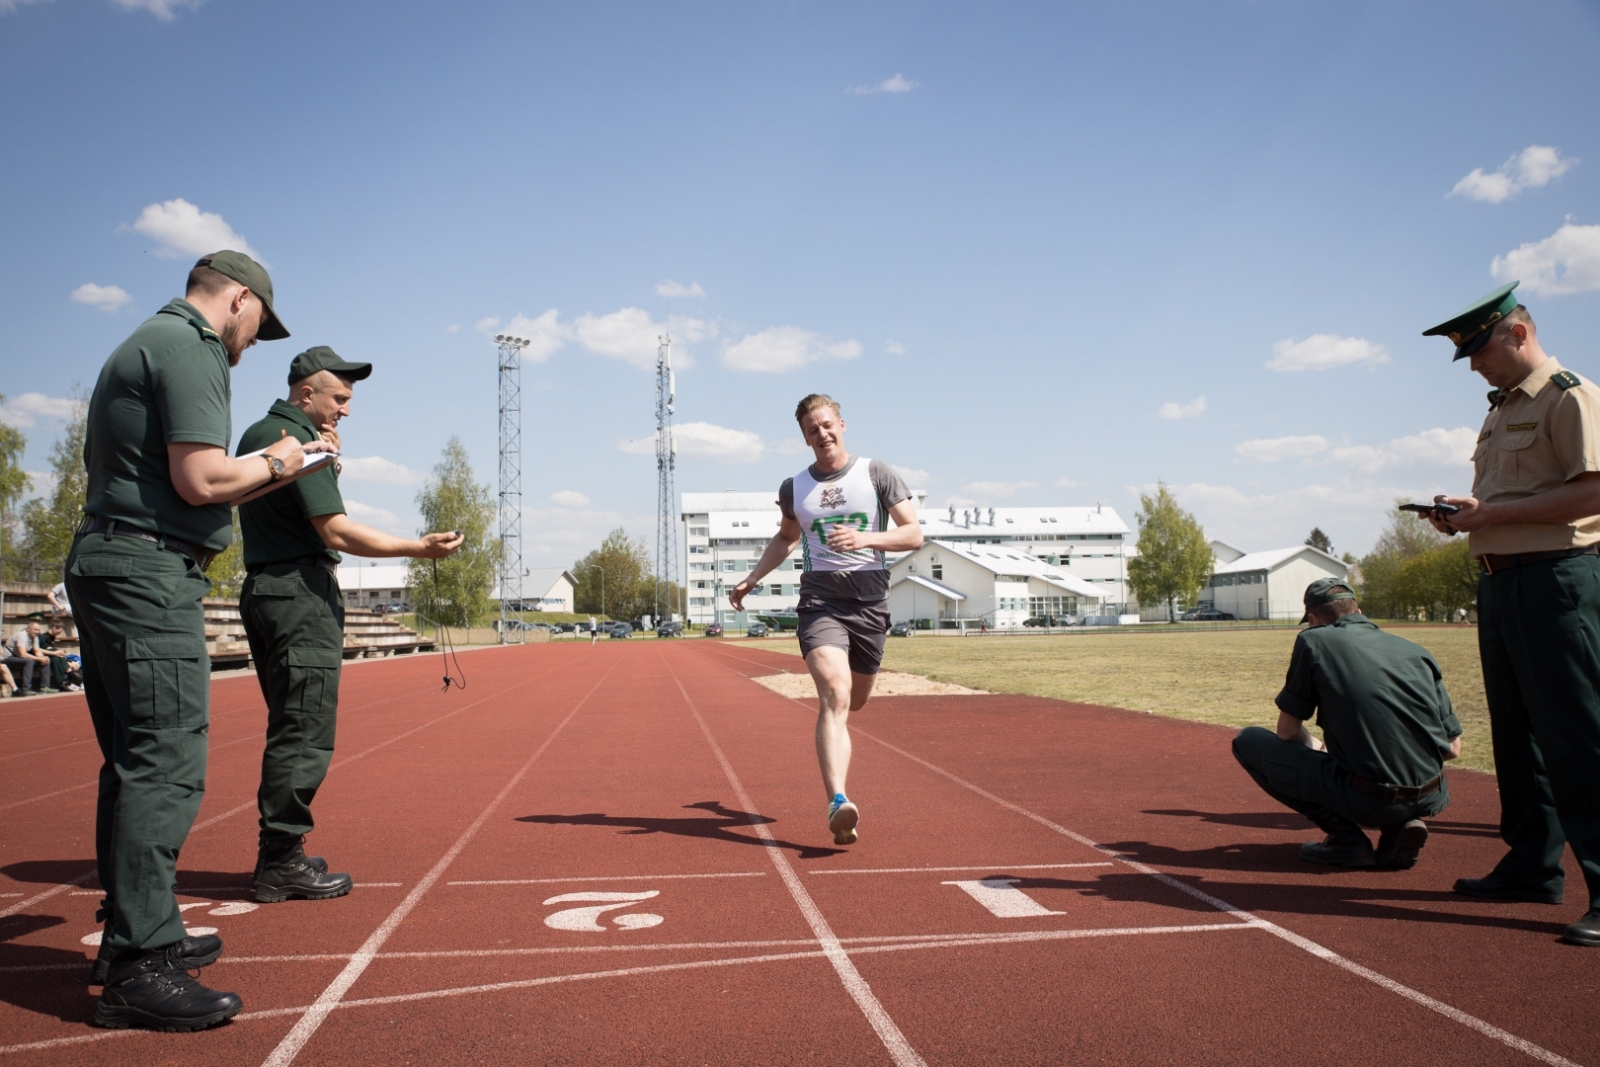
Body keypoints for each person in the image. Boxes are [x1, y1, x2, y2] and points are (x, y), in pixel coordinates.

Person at [68, 250, 326, 1029]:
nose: (252, 345)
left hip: (114, 558)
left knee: (133, 757)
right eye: (258, 328)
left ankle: (132, 932)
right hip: (148, 568)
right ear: (238, 301)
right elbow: (203, 480)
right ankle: (142, 961)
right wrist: (286, 457)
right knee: (168, 758)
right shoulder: (193, 345)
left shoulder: (147, 339)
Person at [237, 346, 462, 904]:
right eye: (339, 398)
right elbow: (334, 531)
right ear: (306, 393)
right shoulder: (296, 441)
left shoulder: (259, 433)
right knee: (304, 729)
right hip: (298, 593)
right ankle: (280, 859)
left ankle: (281, 852)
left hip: (266, 586)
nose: (346, 410)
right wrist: (418, 547)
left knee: (290, 722)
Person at [1420, 282, 1600, 948]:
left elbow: (1594, 491)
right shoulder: (1500, 410)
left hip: (1557, 580)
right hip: (1501, 584)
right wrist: (1468, 515)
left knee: (1578, 736)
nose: (1472, 365)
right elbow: (1509, 497)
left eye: (1478, 350)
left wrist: (1492, 515)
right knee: (1519, 738)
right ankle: (1532, 865)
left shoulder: (1569, 396)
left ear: (1517, 333)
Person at [729, 394, 922, 844]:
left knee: (854, 701)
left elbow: (913, 533)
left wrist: (864, 538)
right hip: (822, 600)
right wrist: (752, 578)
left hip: (870, 600)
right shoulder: (794, 488)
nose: (823, 434)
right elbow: (786, 537)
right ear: (804, 437)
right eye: (812, 429)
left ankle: (839, 788)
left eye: (828, 424)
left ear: (842, 424)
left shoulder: (876, 473)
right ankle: (838, 801)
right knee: (834, 694)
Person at [1232, 579, 1462, 869]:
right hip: (1432, 794)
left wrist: (1319, 748)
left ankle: (1346, 842)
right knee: (1381, 763)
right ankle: (1398, 826)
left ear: (1313, 620)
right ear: (1359, 611)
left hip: (1370, 798)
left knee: (1248, 741)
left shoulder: (1313, 640)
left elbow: (1287, 731)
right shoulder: (1417, 651)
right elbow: (1453, 748)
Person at [3, 622, 50, 695]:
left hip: (19, 658)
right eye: (35, 629)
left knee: (45, 660)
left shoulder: (35, 637)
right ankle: (26, 688)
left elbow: (36, 650)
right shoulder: (22, 635)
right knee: (29, 661)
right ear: (28, 629)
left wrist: (43, 658)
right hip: (8, 658)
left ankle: (44, 687)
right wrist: (39, 659)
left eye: (38, 630)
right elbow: (23, 654)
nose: (37, 632)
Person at [36, 620, 77, 691]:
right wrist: (58, 652)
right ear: (54, 627)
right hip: (42, 655)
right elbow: (46, 648)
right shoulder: (44, 637)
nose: (58, 634)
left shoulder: (52, 636)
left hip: (51, 655)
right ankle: (69, 674)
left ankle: (62, 682)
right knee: (57, 657)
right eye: (58, 631)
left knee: (56, 658)